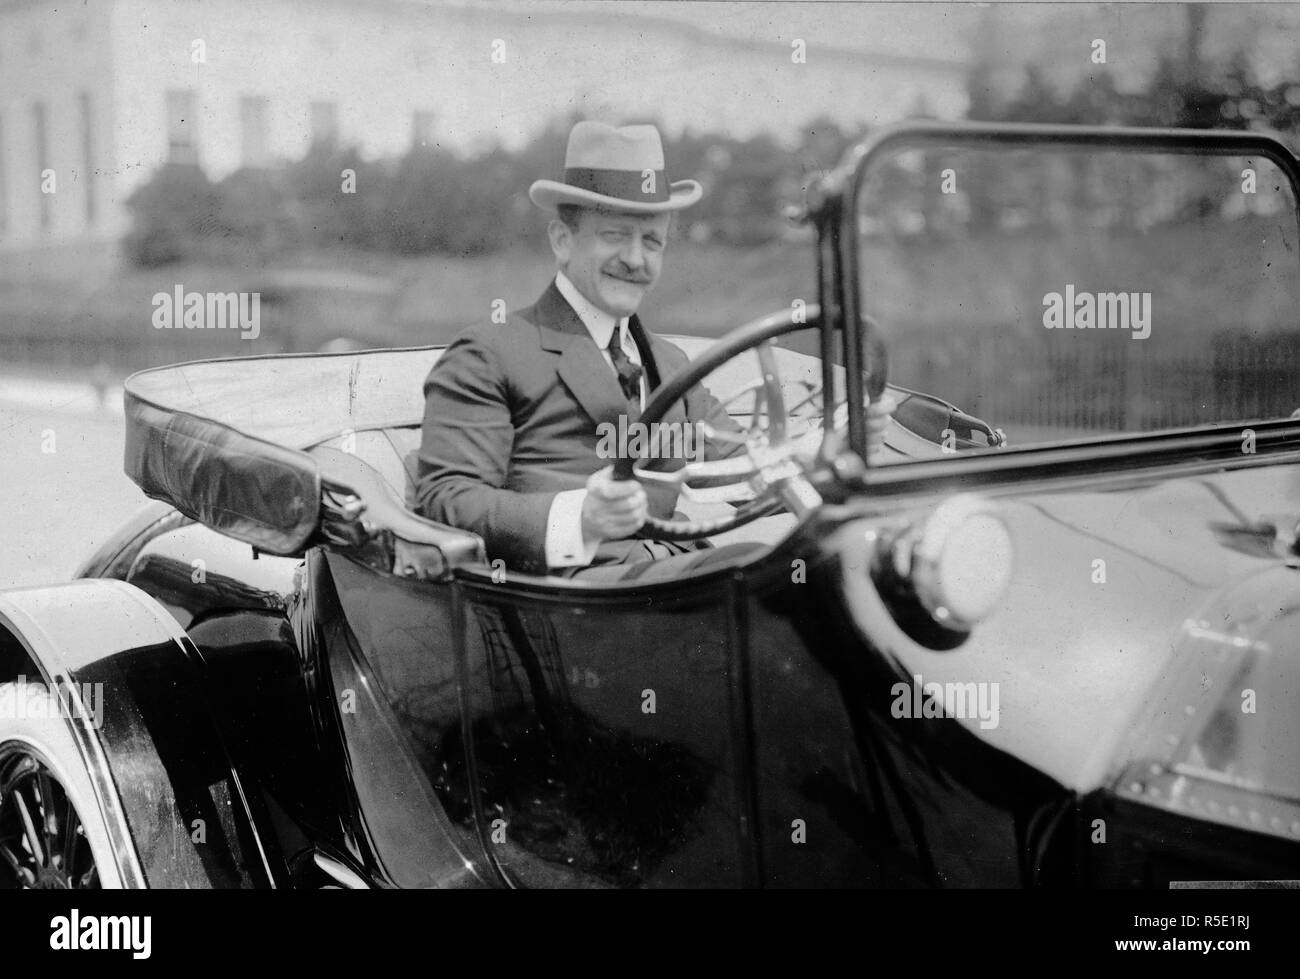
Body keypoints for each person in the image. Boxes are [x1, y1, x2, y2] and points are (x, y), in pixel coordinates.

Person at [415, 120, 889, 581]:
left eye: (652, 241)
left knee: (851, 559)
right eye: (615, 236)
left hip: (676, 575)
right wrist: (582, 516)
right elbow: (445, 497)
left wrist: (825, 442)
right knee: (772, 574)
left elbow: (732, 465)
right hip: (574, 598)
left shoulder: (669, 363)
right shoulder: (489, 351)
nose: (636, 260)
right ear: (562, 240)